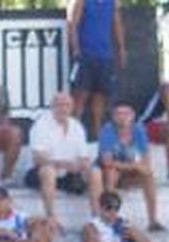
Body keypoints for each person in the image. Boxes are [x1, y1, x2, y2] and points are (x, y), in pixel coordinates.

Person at [26, 92, 101, 227]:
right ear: (52, 107)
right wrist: (62, 164)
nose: (63, 108)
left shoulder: (76, 126)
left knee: (95, 172)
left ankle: (97, 217)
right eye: (59, 105)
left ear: (71, 107)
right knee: (48, 171)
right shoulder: (41, 125)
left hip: (69, 174)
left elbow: (83, 156)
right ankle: (51, 217)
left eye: (67, 105)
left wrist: (82, 165)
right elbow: (38, 158)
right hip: (42, 173)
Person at [96, 101, 164, 230]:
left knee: (148, 175)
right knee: (111, 173)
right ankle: (111, 219)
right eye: (118, 114)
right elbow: (107, 162)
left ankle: (153, 220)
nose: (122, 117)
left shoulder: (138, 129)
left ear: (133, 116)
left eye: (126, 113)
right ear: (113, 116)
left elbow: (146, 162)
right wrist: (135, 166)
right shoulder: (108, 130)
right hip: (110, 175)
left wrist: (136, 167)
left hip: (128, 174)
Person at [69, 0, 124, 139]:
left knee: (99, 96)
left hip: (105, 55)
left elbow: (116, 23)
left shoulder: (112, 2)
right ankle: (73, 134)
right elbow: (72, 24)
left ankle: (97, 135)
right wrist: (75, 49)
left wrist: (121, 48)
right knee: (80, 95)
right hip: (85, 54)